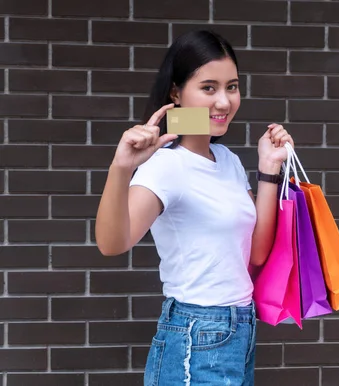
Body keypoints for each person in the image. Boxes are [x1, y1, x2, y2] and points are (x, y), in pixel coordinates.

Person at [95, 29, 294, 386]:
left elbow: (257, 252)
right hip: (196, 333)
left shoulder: (227, 159)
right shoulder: (166, 165)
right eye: (208, 88)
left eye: (231, 87)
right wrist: (121, 167)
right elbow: (113, 243)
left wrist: (269, 167)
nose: (223, 101)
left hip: (239, 329)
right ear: (176, 92)